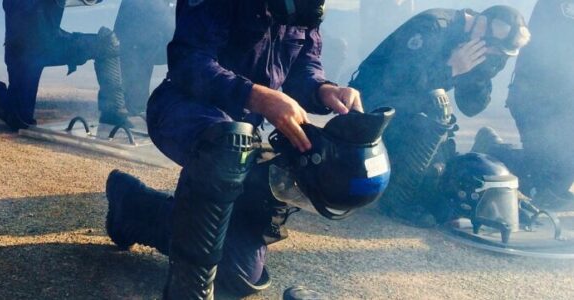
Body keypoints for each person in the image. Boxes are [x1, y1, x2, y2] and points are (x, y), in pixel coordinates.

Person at [104, 0, 370, 298]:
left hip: (242, 129)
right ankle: (186, 292)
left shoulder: (305, 6)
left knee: (239, 274)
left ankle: (132, 207)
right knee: (230, 145)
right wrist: (258, 97)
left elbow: (304, 69)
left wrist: (324, 90)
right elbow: (188, 62)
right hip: (183, 109)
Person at [348, 5, 530, 227]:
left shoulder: (470, 42)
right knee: (436, 108)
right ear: (481, 25)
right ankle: (397, 202)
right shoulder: (433, 27)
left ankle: (488, 149)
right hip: (371, 111)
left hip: (412, 117)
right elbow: (396, 83)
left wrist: (479, 73)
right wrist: (450, 68)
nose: (493, 55)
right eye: (493, 49)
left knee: (442, 178)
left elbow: (471, 107)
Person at [471, 0, 574, 209]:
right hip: (541, 101)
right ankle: (494, 152)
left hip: (563, 103)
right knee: (545, 187)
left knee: (556, 180)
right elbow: (556, 54)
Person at [0, 0, 131, 130]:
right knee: (20, 120)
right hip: (24, 50)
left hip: (52, 42)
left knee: (106, 44)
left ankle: (113, 111)